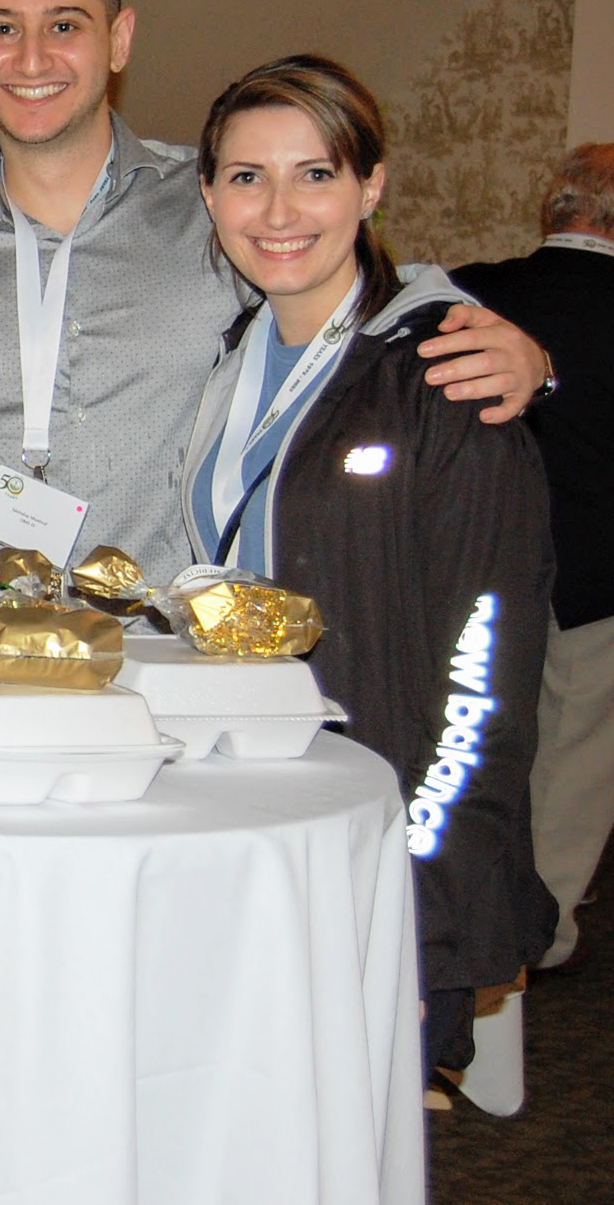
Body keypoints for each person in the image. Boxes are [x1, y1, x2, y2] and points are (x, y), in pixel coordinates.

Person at [0, 0, 549, 582]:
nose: (32, 59)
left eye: (65, 25)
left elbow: (355, 287)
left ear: (119, 39)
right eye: (3, 29)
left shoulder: (216, 202)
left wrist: (530, 356)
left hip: (170, 659)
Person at [179, 54, 556, 1074]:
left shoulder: (446, 377)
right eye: (248, 177)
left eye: (317, 173)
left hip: (385, 847)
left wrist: (418, 870)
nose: (279, 209)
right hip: (250, 820)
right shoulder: (231, 359)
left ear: (372, 184)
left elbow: (487, 672)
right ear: (209, 192)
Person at [454, 143, 614, 972]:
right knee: (571, 772)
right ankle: (534, 939)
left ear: (556, 209)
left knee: (465, 754)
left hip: (478, 568)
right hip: (598, 582)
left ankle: (452, 917)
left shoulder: (471, 291)